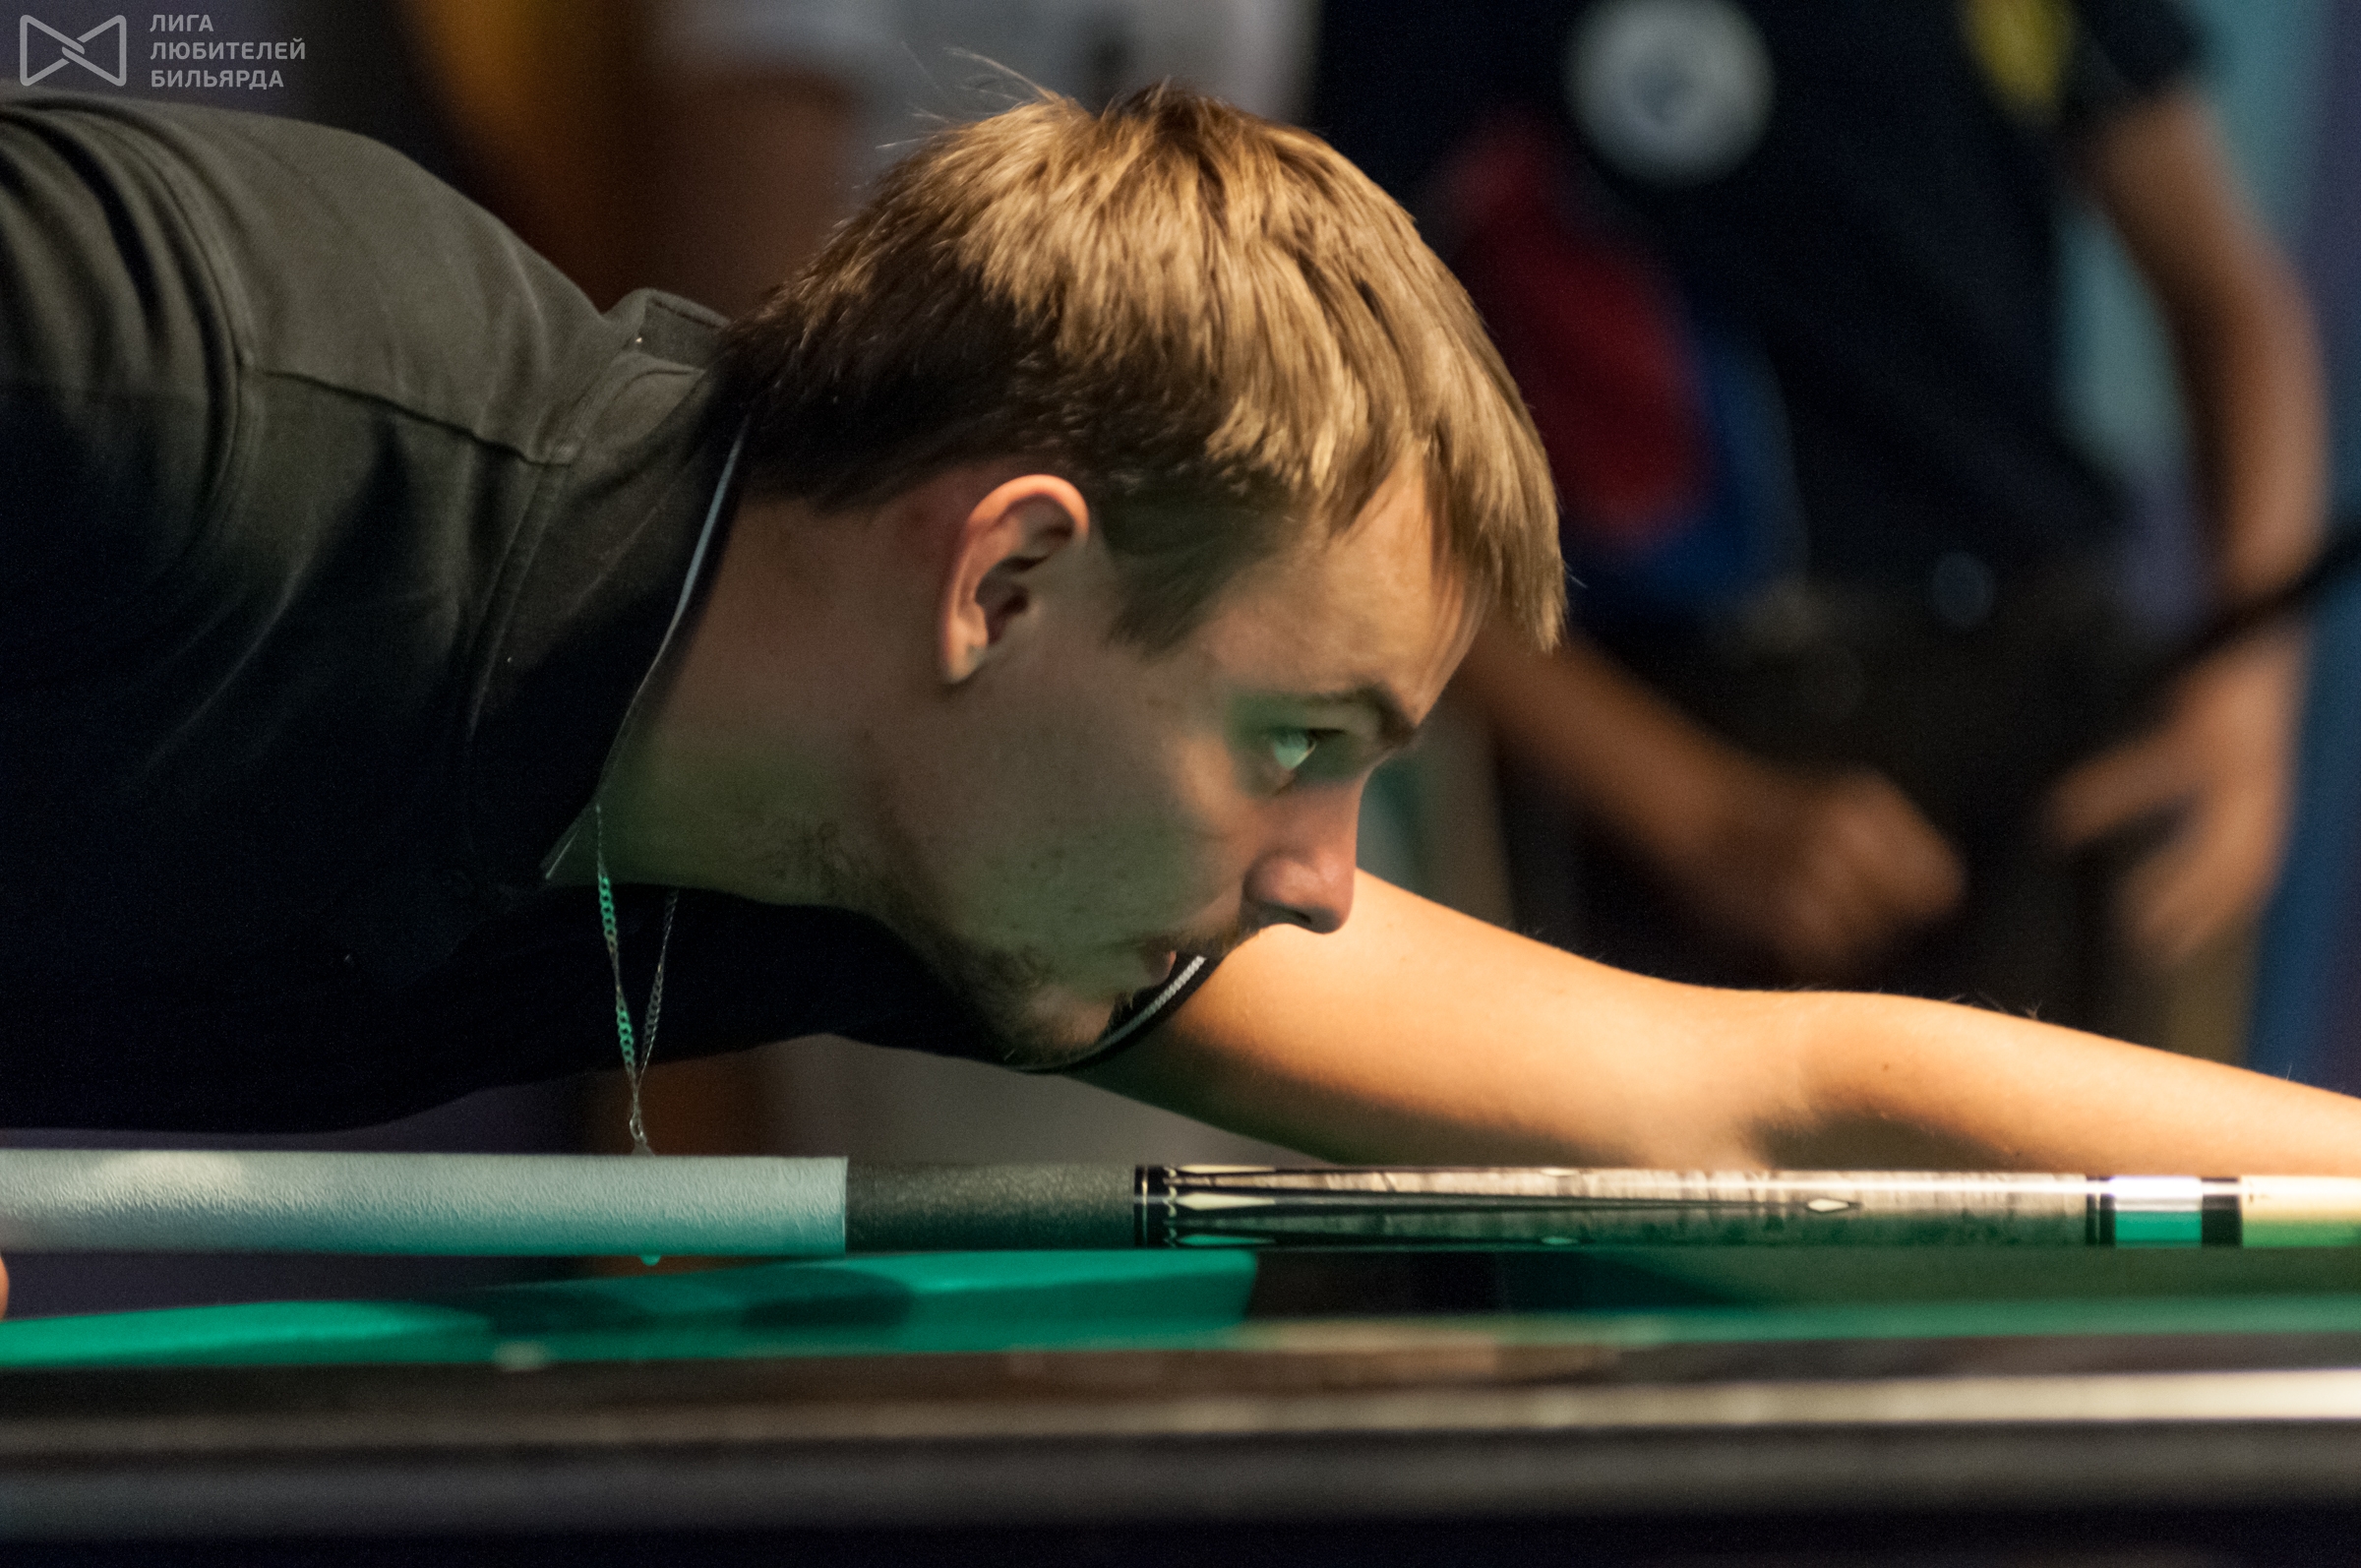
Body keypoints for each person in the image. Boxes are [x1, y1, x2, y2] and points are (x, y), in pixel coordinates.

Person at [8, 87, 2361, 1316]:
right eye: (1296, 745)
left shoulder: (931, 826)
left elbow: (1750, 1112)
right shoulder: (197, 367)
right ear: (1006, 579)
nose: (1321, 882)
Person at [1314, 0, 2324, 1037]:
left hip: (2044, 711)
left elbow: (2227, 300)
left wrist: (2246, 703)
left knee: (2095, 1140)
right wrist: (1692, 812)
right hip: (1669, 735)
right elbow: (1336, 469)